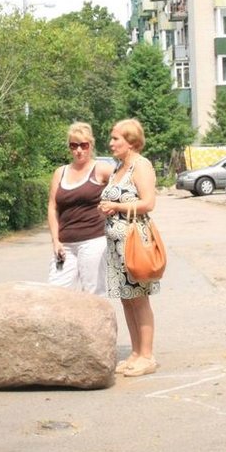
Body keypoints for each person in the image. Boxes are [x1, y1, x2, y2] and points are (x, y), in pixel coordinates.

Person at [98, 119, 159, 377]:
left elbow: (148, 202)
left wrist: (117, 207)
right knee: (127, 298)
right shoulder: (118, 168)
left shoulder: (140, 166)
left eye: (115, 139)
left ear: (131, 140)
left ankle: (147, 355)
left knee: (139, 298)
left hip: (135, 241)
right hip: (116, 243)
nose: (111, 143)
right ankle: (135, 352)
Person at [47, 122, 114, 295]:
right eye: (74, 145)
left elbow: (126, 186)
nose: (79, 150)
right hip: (65, 244)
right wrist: (55, 240)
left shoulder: (101, 169)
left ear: (91, 145)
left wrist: (114, 207)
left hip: (93, 241)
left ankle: (100, 323)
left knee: (93, 294)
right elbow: (53, 207)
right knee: (56, 293)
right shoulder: (60, 172)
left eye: (84, 145)